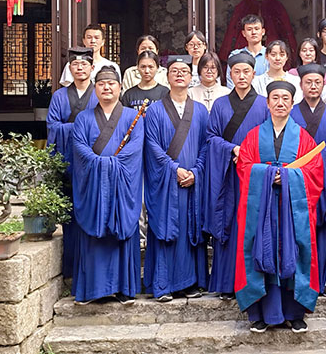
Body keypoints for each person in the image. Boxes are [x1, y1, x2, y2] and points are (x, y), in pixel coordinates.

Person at [235, 81, 324, 333]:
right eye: (275, 98)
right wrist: (267, 175)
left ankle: (295, 313)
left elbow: (315, 171)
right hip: (262, 208)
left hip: (291, 209)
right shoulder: (253, 136)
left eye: (285, 98)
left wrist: (286, 178)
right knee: (260, 249)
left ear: (292, 103)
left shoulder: (303, 137)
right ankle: (262, 313)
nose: (280, 103)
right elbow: (244, 166)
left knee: (294, 250)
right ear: (267, 103)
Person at [69, 66, 144, 304]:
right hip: (93, 187)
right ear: (95, 89)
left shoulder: (133, 118)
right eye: (101, 84)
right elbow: (79, 147)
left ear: (120, 87)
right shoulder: (83, 118)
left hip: (123, 187)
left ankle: (124, 289)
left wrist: (111, 165)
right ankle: (92, 290)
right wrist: (101, 164)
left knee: (121, 235)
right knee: (94, 239)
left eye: (111, 84)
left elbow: (135, 149)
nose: (106, 88)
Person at [143, 55, 209, 302]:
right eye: (174, 70)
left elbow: (206, 145)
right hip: (166, 181)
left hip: (192, 180)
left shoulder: (200, 110)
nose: (180, 74)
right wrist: (173, 169)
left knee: (189, 228)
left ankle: (190, 282)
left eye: (184, 70)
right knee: (166, 228)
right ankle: (163, 284)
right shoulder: (155, 110)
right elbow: (151, 145)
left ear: (191, 77)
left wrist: (196, 171)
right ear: (167, 76)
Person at [204, 52, 269, 299]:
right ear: (230, 75)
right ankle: (227, 283)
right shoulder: (220, 104)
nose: (241, 76)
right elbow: (211, 137)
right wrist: (233, 149)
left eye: (246, 71)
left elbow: (270, 137)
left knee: (253, 224)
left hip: (254, 175)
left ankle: (253, 282)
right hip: (228, 173)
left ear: (254, 74)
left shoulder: (264, 104)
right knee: (229, 223)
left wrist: (249, 154)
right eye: (236, 72)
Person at [290, 63, 326, 297]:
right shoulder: (292, 113)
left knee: (323, 229)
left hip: (324, 181)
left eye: (317, 82)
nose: (313, 86)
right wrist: (304, 160)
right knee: (298, 229)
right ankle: (300, 280)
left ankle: (324, 278)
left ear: (323, 84)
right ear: (301, 85)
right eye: (308, 82)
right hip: (298, 180)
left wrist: (311, 157)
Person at [46, 47, 99, 279]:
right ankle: (71, 270)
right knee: (71, 215)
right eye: (75, 65)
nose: (80, 68)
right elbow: (53, 126)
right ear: (69, 68)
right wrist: (81, 127)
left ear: (92, 67)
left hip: (93, 161)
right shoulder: (59, 96)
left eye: (84, 64)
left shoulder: (99, 93)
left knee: (93, 211)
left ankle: (92, 269)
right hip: (68, 161)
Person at [225, 14, 270, 88]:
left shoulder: (270, 55)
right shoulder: (235, 55)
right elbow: (231, 83)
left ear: (263, 31)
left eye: (256, 29)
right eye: (249, 29)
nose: (253, 32)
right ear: (244, 33)